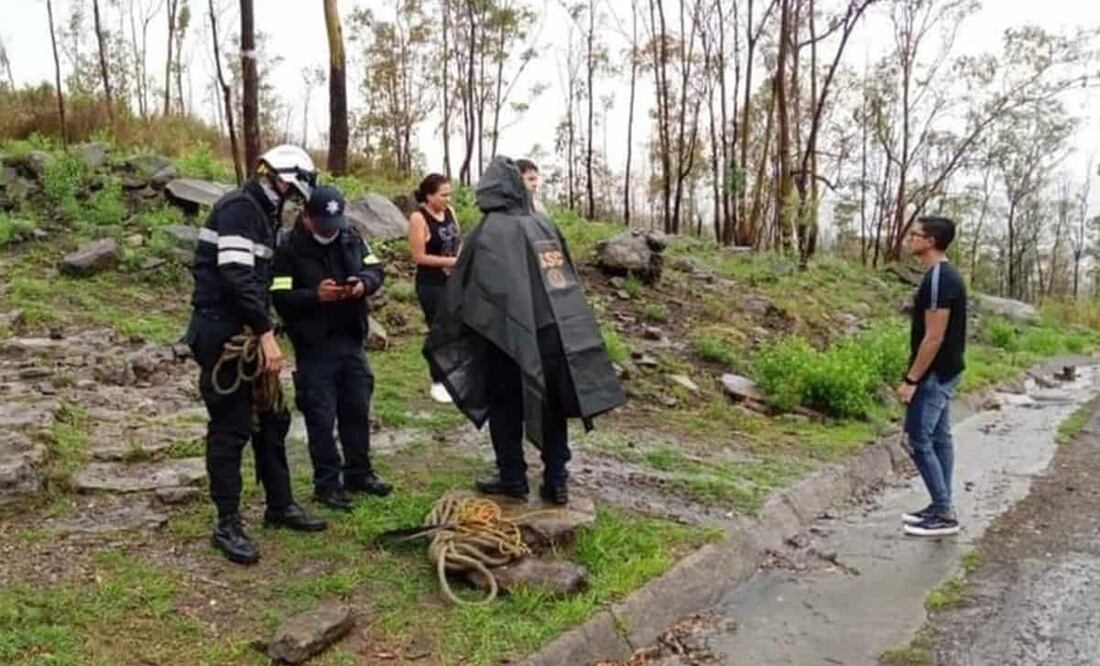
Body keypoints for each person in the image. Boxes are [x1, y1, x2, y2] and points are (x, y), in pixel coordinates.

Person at [424, 156, 626, 505]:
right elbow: (568, 278)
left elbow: (464, 286)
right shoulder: (544, 225)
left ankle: (512, 477)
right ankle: (556, 480)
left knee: (505, 406)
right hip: (554, 333)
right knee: (551, 407)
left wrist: (451, 330)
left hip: (503, 336)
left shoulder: (487, 230)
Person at [184, 144, 326, 565]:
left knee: (272, 418)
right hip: (221, 331)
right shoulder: (239, 209)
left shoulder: (262, 213)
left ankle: (279, 505)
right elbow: (235, 275)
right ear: (282, 179)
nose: (296, 199)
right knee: (231, 426)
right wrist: (265, 335)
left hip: (243, 325)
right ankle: (226, 522)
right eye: (295, 190)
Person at [271, 185, 392, 512]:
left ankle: (359, 473)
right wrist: (314, 295)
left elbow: (375, 268)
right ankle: (327, 484)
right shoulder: (288, 248)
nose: (330, 230)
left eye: (334, 223)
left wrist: (363, 284)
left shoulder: (350, 235)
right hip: (314, 345)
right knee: (320, 417)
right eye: (324, 223)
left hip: (351, 339)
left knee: (356, 409)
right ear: (307, 218)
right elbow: (279, 295)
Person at [897, 216, 967, 537]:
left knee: (917, 439)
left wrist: (911, 380)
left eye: (916, 235)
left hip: (936, 374)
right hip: (944, 370)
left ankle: (943, 512)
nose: (910, 239)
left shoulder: (941, 278)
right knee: (940, 438)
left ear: (931, 242)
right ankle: (941, 504)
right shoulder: (938, 276)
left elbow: (934, 337)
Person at [408, 173, 462, 403]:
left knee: (457, 329)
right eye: (443, 195)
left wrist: (458, 259)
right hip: (431, 284)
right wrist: (448, 262)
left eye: (449, 194)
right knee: (439, 330)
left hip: (453, 280)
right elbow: (419, 256)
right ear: (429, 196)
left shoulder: (450, 212)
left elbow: (458, 240)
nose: (447, 199)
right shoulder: (418, 218)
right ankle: (438, 379)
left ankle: (456, 375)